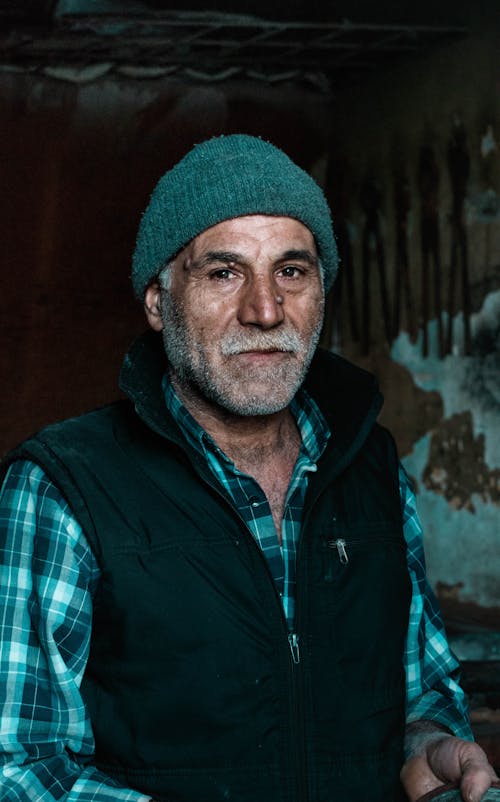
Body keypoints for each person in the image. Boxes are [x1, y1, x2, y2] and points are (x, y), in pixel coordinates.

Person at [0, 134, 496, 802]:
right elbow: (20, 766)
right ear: (157, 300)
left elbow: (418, 689)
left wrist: (428, 748)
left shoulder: (373, 467)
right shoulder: (63, 487)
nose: (266, 310)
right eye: (224, 272)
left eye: (292, 271)